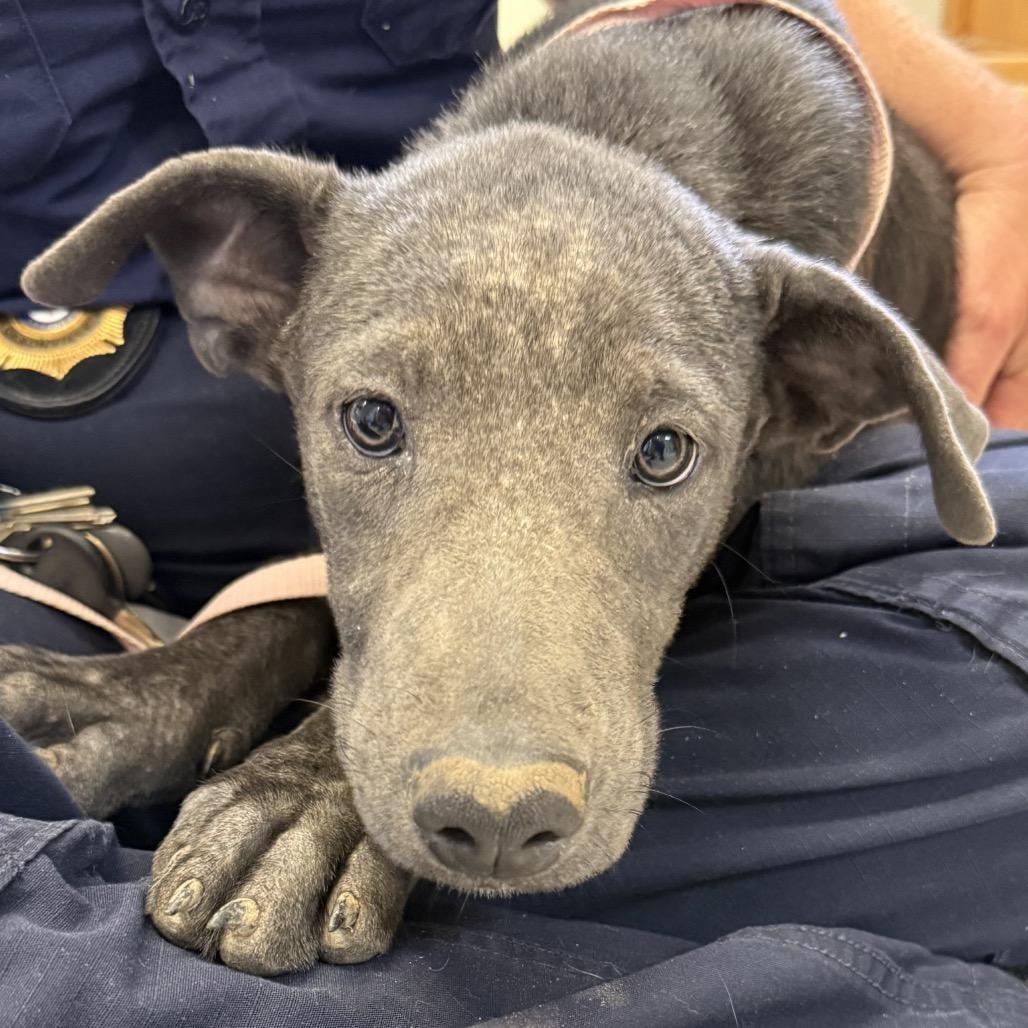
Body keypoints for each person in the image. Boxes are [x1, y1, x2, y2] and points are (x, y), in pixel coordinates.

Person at [1, 1, 1026, 1025]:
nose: (491, 793)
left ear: (810, 386)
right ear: (245, 284)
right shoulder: (348, 260)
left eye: (662, 446)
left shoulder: (725, 301)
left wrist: (330, 744)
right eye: (372, 420)